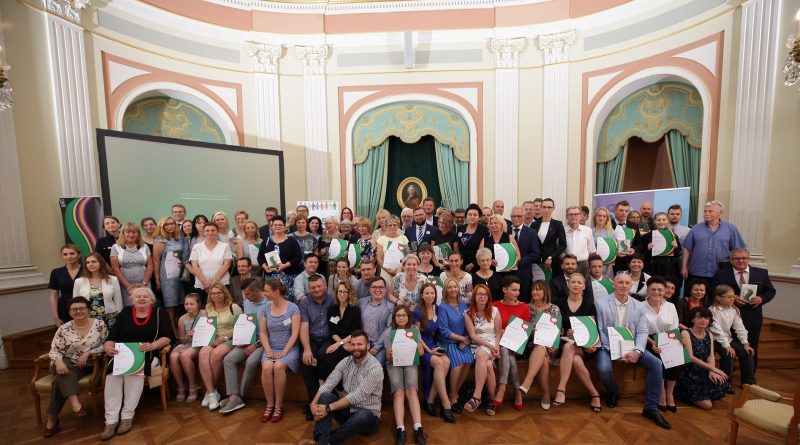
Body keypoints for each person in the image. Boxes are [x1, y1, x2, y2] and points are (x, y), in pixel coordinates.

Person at [594, 274, 671, 429]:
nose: (624, 285)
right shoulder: (600, 303)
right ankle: (613, 391)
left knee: (656, 363)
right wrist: (615, 351)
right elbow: (600, 330)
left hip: (632, 347)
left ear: (631, 286)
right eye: (620, 282)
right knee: (603, 368)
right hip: (607, 346)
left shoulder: (639, 306)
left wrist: (638, 351)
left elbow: (642, 331)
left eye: (627, 283)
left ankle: (651, 408)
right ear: (614, 284)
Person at [100, 287, 173, 440]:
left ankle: (127, 416)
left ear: (151, 300)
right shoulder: (125, 313)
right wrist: (107, 346)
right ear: (132, 300)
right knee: (113, 377)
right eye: (138, 296)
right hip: (122, 355)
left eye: (145, 296)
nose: (141, 299)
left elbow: (167, 337)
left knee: (133, 374)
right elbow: (112, 337)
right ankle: (111, 421)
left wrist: (152, 346)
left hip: (147, 354)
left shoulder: (159, 313)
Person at [43, 297, 107, 438]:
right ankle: (75, 404)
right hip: (64, 364)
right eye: (74, 309)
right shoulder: (63, 328)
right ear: (69, 312)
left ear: (88, 310)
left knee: (59, 382)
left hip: (90, 365)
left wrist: (89, 353)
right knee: (64, 367)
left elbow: (106, 345)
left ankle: (51, 420)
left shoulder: (100, 325)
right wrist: (58, 361)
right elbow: (54, 350)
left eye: (82, 308)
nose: (78, 311)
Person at [310, 330, 383, 445]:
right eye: (353, 344)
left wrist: (328, 408)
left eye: (359, 344)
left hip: (369, 418)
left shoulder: (375, 368)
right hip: (348, 411)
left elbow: (357, 396)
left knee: (362, 415)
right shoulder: (346, 361)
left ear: (368, 346)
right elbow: (330, 382)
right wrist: (313, 403)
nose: (356, 347)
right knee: (325, 396)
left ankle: (328, 441)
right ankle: (322, 441)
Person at [712, 247, 775, 372]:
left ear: (749, 258)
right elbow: (713, 290)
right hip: (729, 318)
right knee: (732, 347)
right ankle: (729, 373)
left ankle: (749, 375)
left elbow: (770, 291)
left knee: (752, 346)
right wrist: (731, 297)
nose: (741, 261)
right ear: (731, 260)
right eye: (737, 258)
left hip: (753, 317)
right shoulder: (721, 274)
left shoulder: (761, 273)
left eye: (744, 258)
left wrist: (761, 298)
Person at [218, 278, 268, 414]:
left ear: (257, 291)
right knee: (228, 359)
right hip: (248, 340)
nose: (245, 297)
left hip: (264, 342)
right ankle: (234, 396)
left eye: (247, 294)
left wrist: (255, 345)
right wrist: (242, 337)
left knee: (251, 362)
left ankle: (238, 396)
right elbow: (246, 324)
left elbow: (271, 332)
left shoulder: (269, 304)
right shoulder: (247, 303)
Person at [555, 273, 602, 412]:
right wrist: (566, 333)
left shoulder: (589, 304)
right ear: (568, 285)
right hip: (565, 342)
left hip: (585, 346)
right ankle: (594, 394)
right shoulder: (560, 303)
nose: (576, 285)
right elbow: (556, 328)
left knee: (570, 348)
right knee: (572, 354)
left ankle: (561, 389)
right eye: (573, 282)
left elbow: (594, 329)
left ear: (584, 286)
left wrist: (591, 345)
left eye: (579, 283)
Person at [258, 279, 301, 423]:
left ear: (276, 291)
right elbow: (263, 333)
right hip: (271, 347)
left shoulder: (293, 308)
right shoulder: (265, 309)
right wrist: (268, 350)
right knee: (266, 367)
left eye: (267, 291)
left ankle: (278, 406)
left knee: (278, 366)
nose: (264, 294)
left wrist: (284, 352)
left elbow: (295, 333)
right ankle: (269, 405)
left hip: (289, 347)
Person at [383, 305, 427, 445]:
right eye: (398, 315)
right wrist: (392, 355)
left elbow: (421, 352)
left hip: (410, 362)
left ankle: (418, 427)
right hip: (394, 364)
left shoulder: (414, 330)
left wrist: (420, 350)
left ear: (408, 317)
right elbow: (388, 357)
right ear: (394, 318)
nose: (401, 318)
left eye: (404, 315)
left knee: (412, 390)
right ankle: (400, 429)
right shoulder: (389, 332)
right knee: (399, 392)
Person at [413, 283, 455, 422]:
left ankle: (430, 399)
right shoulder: (417, 311)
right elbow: (417, 335)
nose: (430, 296)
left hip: (434, 344)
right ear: (422, 295)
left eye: (432, 293)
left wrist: (435, 347)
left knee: (446, 361)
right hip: (422, 346)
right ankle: (446, 403)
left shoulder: (437, 308)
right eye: (427, 293)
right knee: (438, 362)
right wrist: (429, 350)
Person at [675, 307, 731, 409]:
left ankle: (700, 395)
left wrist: (711, 371)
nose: (703, 320)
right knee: (707, 405)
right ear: (693, 319)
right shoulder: (686, 333)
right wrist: (713, 368)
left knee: (720, 382)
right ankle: (684, 394)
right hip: (689, 371)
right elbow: (690, 357)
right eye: (699, 317)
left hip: (703, 367)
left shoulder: (709, 334)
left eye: (706, 318)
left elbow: (710, 355)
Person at [198, 284, 243, 411]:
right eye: (213, 293)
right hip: (213, 339)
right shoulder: (208, 307)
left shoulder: (233, 307)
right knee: (203, 353)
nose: (216, 295)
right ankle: (212, 393)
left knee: (216, 354)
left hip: (230, 339)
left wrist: (223, 339)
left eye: (219, 293)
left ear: (225, 293)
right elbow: (206, 326)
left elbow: (241, 327)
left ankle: (210, 391)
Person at [518, 280, 560, 409]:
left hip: (549, 347)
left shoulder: (554, 308)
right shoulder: (526, 307)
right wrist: (530, 331)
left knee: (542, 352)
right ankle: (545, 394)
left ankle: (527, 382)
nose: (534, 292)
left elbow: (558, 332)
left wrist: (553, 346)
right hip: (530, 345)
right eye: (533, 289)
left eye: (538, 289)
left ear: (545, 291)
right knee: (541, 351)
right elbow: (521, 330)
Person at [681, 200, 746, 284]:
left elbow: (738, 251)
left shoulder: (731, 229)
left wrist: (739, 268)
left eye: (710, 211)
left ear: (720, 212)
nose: (706, 214)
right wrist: (684, 267)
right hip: (697, 272)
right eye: (705, 211)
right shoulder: (695, 228)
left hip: (721, 272)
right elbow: (687, 249)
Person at [490, 275, 529, 411]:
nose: (517, 293)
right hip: (500, 344)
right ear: (505, 290)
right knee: (506, 351)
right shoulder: (495, 306)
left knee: (506, 350)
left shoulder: (524, 307)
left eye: (518, 290)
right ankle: (517, 391)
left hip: (518, 346)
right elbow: (489, 327)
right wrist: (498, 331)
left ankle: (502, 387)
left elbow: (525, 330)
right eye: (514, 290)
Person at [642, 276, 681, 412]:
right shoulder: (640, 306)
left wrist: (671, 342)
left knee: (676, 355)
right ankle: (661, 393)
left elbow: (674, 327)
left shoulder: (670, 306)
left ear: (664, 291)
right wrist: (653, 342)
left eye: (660, 290)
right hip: (648, 339)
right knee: (658, 358)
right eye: (653, 289)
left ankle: (670, 393)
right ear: (647, 290)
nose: (656, 292)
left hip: (668, 337)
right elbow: (640, 330)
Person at [299, 275, 334, 419]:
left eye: (319, 286)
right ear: (308, 289)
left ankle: (325, 401)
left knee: (323, 357)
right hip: (311, 339)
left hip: (328, 338)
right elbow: (303, 326)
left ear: (325, 286)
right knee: (307, 362)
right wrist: (307, 349)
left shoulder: (333, 300)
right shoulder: (304, 303)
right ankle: (312, 403)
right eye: (313, 287)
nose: (316, 289)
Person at [437, 277, 474, 413]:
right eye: (450, 287)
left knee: (469, 360)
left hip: (463, 341)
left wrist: (466, 338)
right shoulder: (443, 307)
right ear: (445, 290)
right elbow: (444, 331)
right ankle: (453, 395)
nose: (453, 289)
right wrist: (462, 339)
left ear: (459, 288)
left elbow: (469, 323)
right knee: (458, 364)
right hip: (447, 342)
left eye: (455, 287)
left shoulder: (464, 304)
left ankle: (455, 391)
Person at [463, 284, 501, 416]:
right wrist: (488, 346)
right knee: (488, 365)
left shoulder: (495, 311)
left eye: (485, 294)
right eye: (479, 294)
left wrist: (496, 347)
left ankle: (476, 396)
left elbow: (498, 333)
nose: (482, 297)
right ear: (474, 296)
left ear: (488, 297)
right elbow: (473, 336)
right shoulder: (468, 314)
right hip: (477, 343)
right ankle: (492, 399)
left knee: (481, 355)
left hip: (493, 343)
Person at [709, 284, 756, 388]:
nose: (732, 299)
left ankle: (748, 382)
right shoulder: (712, 310)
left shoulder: (734, 310)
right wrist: (727, 346)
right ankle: (726, 384)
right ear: (718, 297)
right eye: (729, 297)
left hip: (726, 339)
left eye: (733, 296)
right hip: (714, 340)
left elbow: (740, 327)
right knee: (728, 354)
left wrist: (745, 343)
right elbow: (717, 331)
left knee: (747, 352)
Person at [317, 282, 362, 380]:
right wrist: (339, 343)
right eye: (340, 292)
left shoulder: (355, 310)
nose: (342, 294)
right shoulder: (331, 309)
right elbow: (332, 331)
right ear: (336, 293)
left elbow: (354, 332)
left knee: (336, 357)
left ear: (349, 293)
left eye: (345, 292)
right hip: (334, 339)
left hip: (350, 341)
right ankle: (322, 385)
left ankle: (336, 386)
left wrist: (340, 344)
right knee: (321, 354)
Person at [169, 293, 206, 403]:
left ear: (198, 304)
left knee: (184, 356)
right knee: (173, 356)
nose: (188, 306)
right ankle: (181, 387)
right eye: (186, 304)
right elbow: (181, 339)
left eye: (192, 304)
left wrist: (197, 334)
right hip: (188, 343)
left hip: (200, 343)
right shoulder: (182, 319)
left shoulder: (203, 313)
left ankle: (193, 386)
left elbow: (209, 331)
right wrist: (187, 336)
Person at [258, 216, 303, 303]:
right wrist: (265, 267)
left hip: (288, 277)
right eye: (275, 225)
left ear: (284, 227)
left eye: (280, 225)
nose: (277, 227)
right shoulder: (266, 241)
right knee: (272, 301)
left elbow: (298, 257)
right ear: (271, 227)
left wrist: (284, 265)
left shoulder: (292, 241)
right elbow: (260, 258)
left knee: (288, 301)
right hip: (271, 278)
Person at [72, 253, 124, 328]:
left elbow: (118, 301)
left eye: (93, 262)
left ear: (101, 263)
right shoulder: (79, 281)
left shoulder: (113, 279)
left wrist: (120, 318)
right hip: (88, 318)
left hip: (110, 318)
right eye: (88, 262)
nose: (90, 264)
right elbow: (75, 303)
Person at [152, 216, 184, 333]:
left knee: (179, 301)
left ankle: (179, 326)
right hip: (167, 276)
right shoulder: (160, 241)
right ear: (162, 226)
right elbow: (156, 260)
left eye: (172, 224)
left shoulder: (178, 238)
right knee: (170, 303)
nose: (170, 226)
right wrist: (157, 279)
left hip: (179, 275)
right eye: (167, 224)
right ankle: (172, 329)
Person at [110, 222, 153, 305]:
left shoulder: (145, 246)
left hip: (144, 284)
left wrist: (144, 284)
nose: (131, 234)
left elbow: (150, 266)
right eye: (128, 232)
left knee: (145, 305)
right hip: (126, 287)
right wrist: (129, 287)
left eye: (134, 232)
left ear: (138, 234)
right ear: (123, 233)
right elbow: (115, 269)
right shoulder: (115, 247)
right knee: (129, 308)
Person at [189, 222, 233, 304]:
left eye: (213, 230)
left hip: (221, 283)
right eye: (207, 230)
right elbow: (194, 266)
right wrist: (205, 282)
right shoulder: (196, 247)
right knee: (204, 308)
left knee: (223, 306)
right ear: (203, 232)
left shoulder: (225, 246)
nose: (210, 232)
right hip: (202, 285)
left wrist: (215, 282)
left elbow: (227, 265)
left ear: (217, 232)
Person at [358, 276, 393, 366]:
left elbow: (389, 328)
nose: (377, 290)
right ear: (370, 289)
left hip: (381, 345)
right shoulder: (361, 302)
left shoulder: (391, 307)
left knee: (376, 365)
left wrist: (377, 347)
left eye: (380, 287)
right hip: (362, 343)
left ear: (385, 289)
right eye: (374, 287)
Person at [509, 206, 541, 301]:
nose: (516, 218)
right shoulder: (505, 232)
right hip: (507, 274)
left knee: (523, 301)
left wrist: (518, 262)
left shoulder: (531, 233)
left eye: (519, 216)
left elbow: (535, 254)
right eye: (514, 216)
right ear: (510, 217)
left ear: (523, 216)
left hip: (524, 274)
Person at [531, 198, 567, 279]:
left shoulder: (558, 224)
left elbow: (563, 245)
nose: (546, 210)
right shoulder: (534, 224)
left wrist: (551, 257)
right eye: (544, 207)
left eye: (549, 207)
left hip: (552, 262)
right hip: (536, 261)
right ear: (541, 208)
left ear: (553, 208)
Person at [49, 244, 83, 326]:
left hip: (84, 307)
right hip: (64, 309)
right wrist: (56, 317)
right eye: (65, 254)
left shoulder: (87, 270)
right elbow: (53, 296)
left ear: (79, 255)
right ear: (62, 256)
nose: (68, 257)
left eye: (72, 253)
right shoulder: (56, 272)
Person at [643, 212, 682, 281]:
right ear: (654, 221)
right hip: (652, 267)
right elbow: (642, 254)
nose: (661, 222)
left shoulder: (673, 235)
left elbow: (678, 254)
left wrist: (676, 248)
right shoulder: (647, 236)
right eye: (658, 220)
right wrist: (647, 248)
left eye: (664, 220)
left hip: (668, 268)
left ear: (667, 221)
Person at [611, 200, 643, 274]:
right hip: (613, 264)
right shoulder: (608, 225)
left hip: (630, 264)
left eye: (626, 211)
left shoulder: (634, 226)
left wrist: (633, 250)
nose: (624, 213)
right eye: (621, 210)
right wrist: (615, 254)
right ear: (615, 210)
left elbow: (640, 244)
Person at [375, 215, 409, 284]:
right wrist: (389, 271)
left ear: (398, 226)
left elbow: (406, 257)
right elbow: (379, 259)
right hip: (386, 274)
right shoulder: (381, 240)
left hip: (401, 273)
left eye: (394, 225)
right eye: (389, 225)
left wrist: (399, 270)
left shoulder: (403, 238)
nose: (392, 227)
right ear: (386, 226)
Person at [456, 204, 488, 271]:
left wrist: (474, 263)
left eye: (475, 215)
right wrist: (458, 261)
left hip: (476, 266)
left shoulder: (484, 230)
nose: (472, 217)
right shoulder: (461, 228)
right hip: (460, 264)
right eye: (469, 214)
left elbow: (482, 251)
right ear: (466, 216)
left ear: (479, 217)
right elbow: (457, 247)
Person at [564, 206, 596, 276]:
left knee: (584, 283)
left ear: (581, 216)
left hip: (583, 265)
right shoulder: (562, 231)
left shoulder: (588, 230)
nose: (573, 216)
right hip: (567, 265)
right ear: (566, 217)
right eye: (571, 214)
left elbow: (592, 251)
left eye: (576, 214)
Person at [181, 214, 208, 295]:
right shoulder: (189, 239)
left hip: (212, 271)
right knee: (198, 296)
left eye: (204, 222)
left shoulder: (214, 236)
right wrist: (193, 272)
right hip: (195, 273)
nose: (202, 225)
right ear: (194, 225)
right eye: (199, 223)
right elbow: (185, 258)